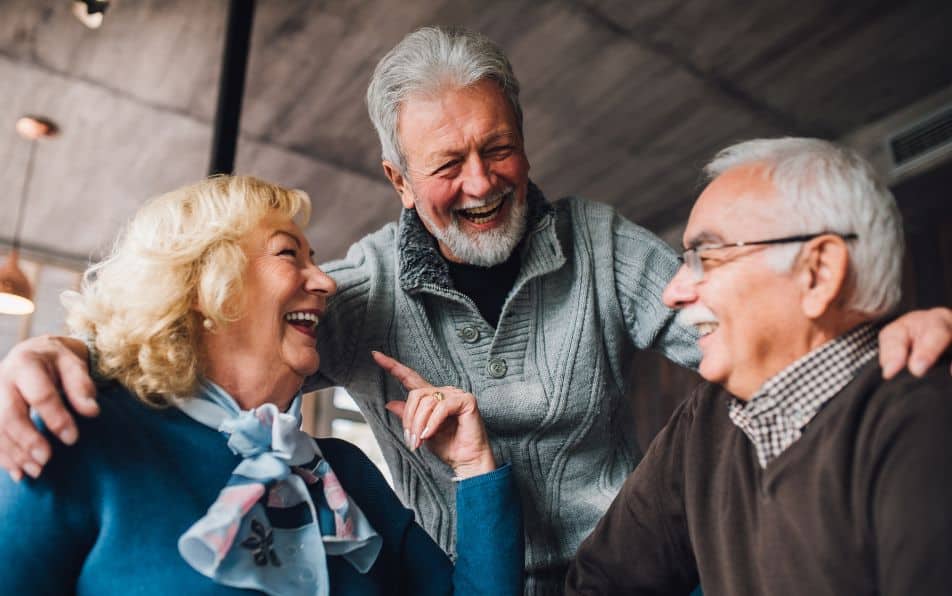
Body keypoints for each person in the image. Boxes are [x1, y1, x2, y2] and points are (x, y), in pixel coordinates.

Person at [1, 27, 950, 594]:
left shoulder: (608, 244)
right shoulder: (354, 291)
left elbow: (749, 334)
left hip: (621, 576)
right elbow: (206, 329)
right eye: (446, 165)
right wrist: (61, 349)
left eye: (499, 149)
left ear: (525, 142)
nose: (482, 182)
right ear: (398, 181)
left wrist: (873, 333)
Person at [0, 175, 523, 595]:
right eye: (288, 254)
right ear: (208, 285)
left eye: (313, 259)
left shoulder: (344, 473)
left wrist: (475, 468)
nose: (326, 281)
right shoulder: (74, 434)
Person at [565, 138, 952, 595]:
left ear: (819, 272)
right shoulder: (704, 422)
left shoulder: (920, 421)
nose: (672, 293)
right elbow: (600, 584)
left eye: (705, 256)